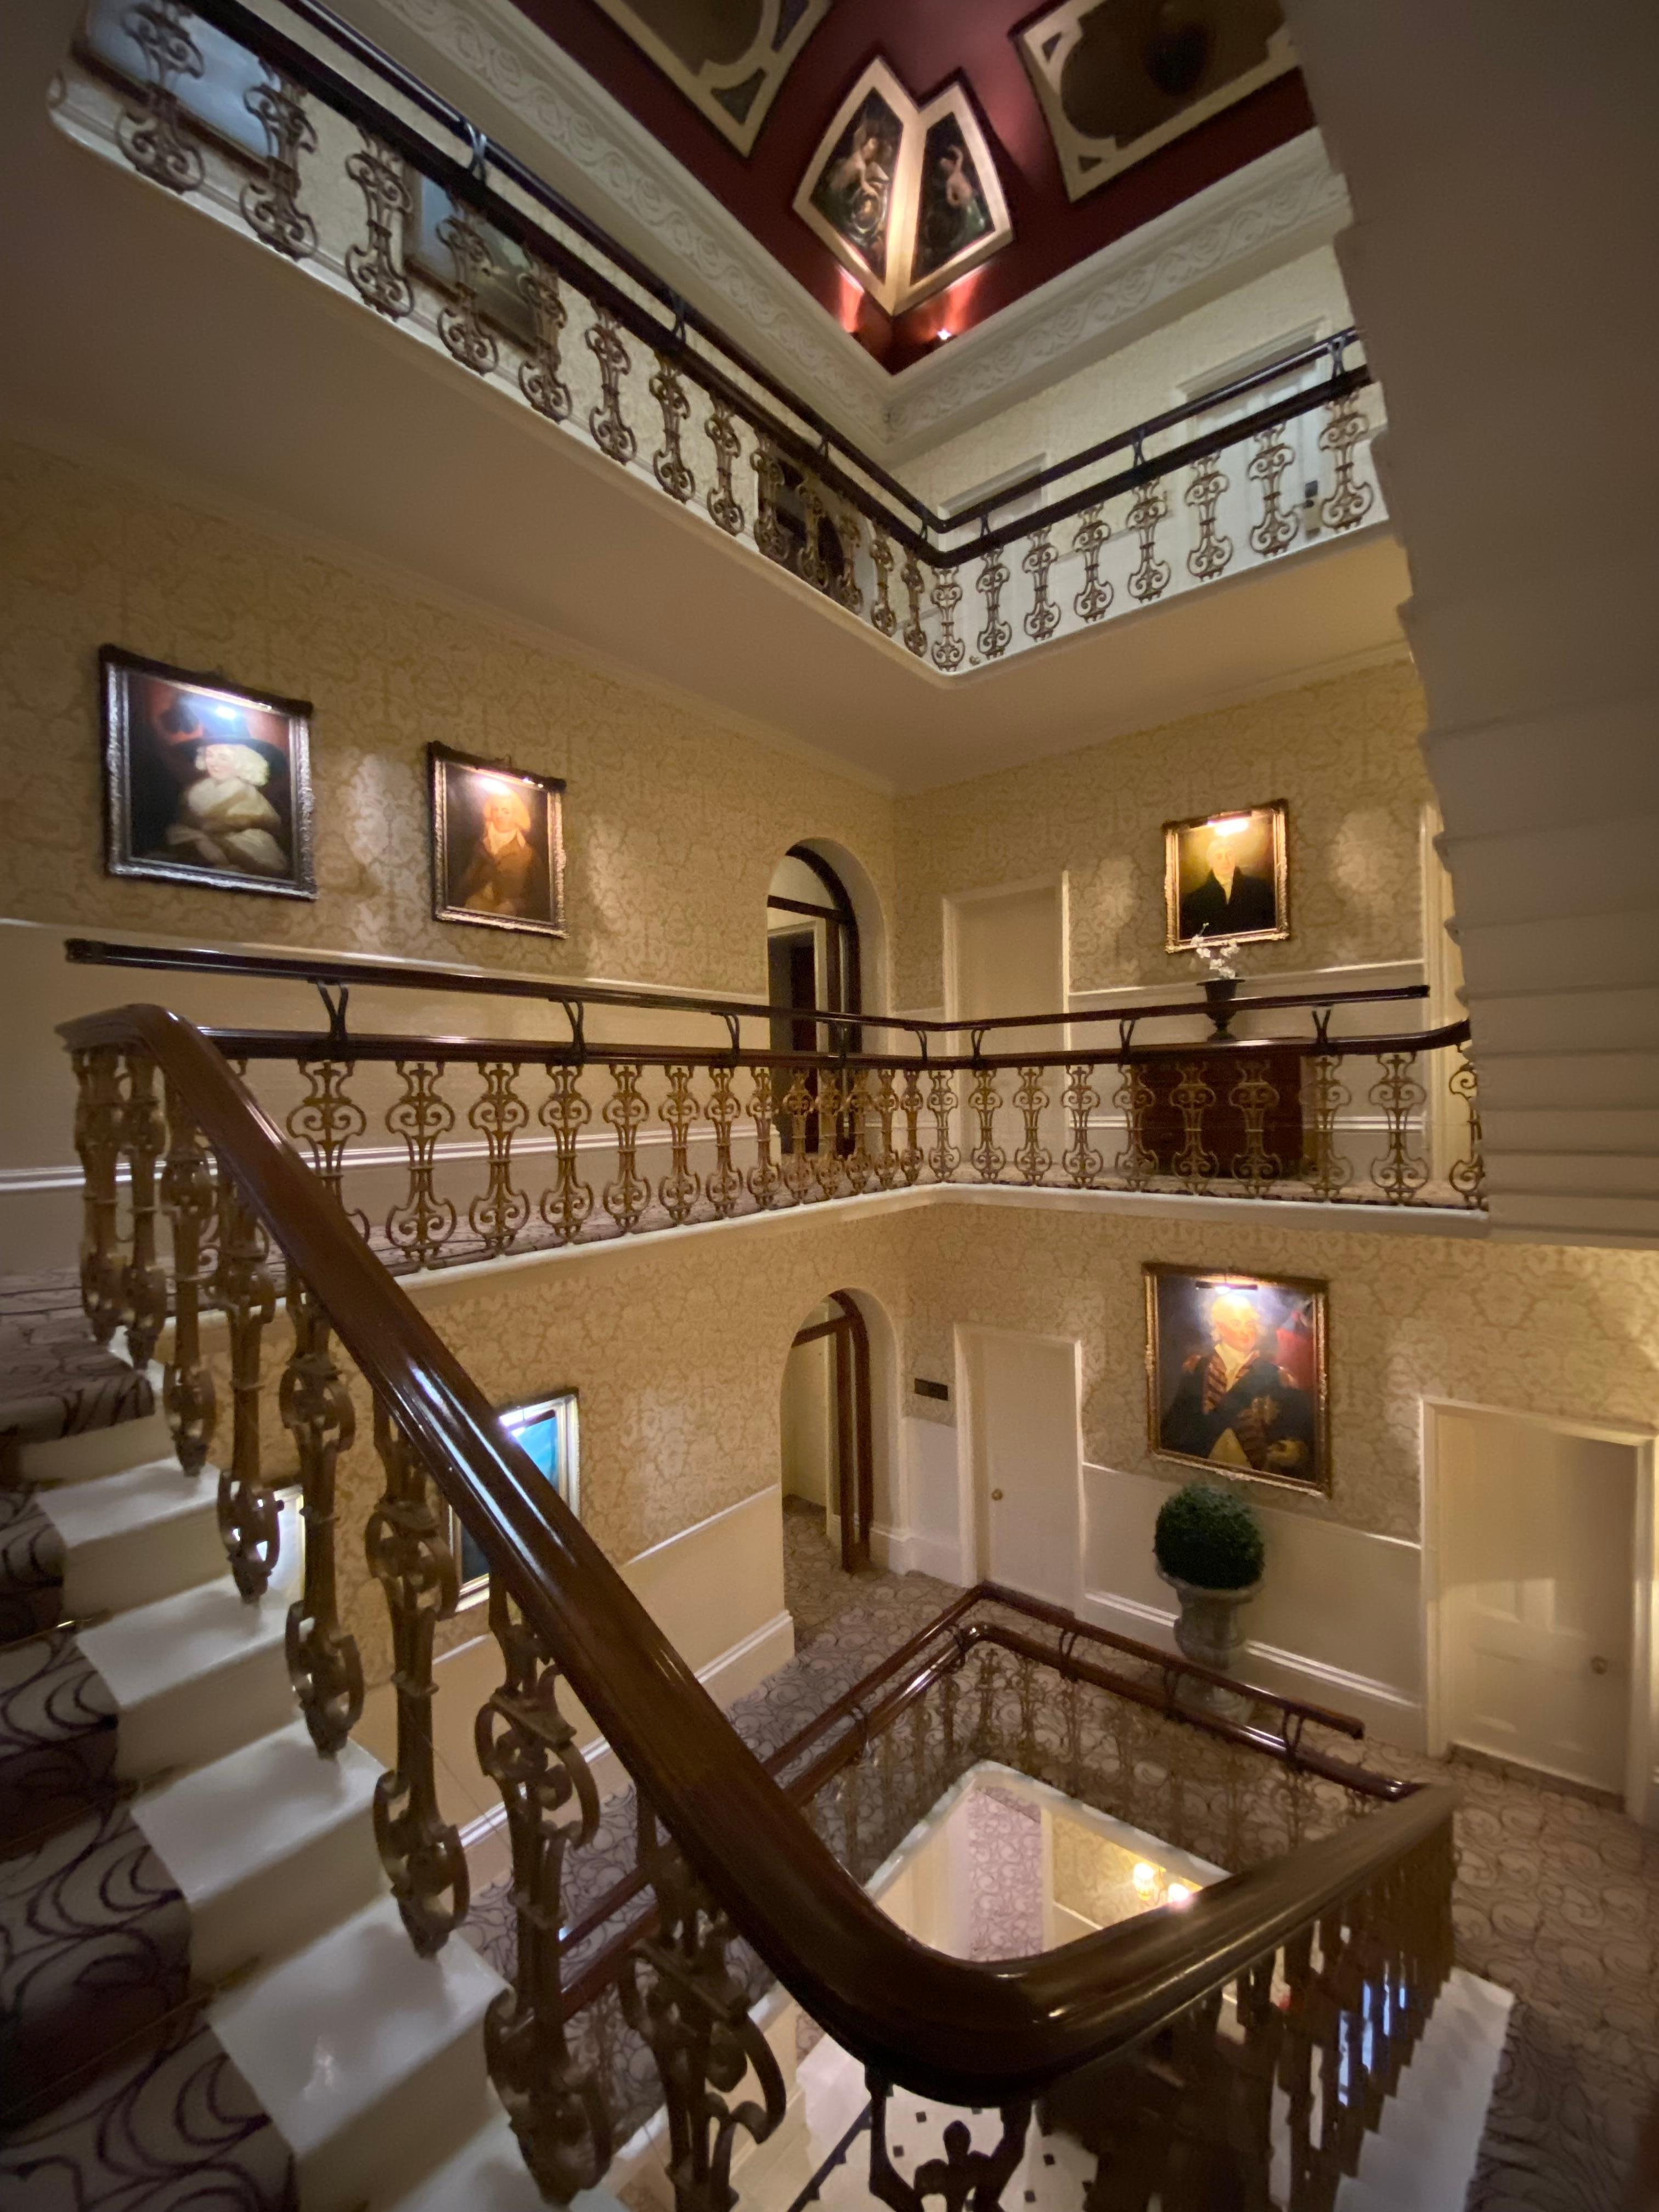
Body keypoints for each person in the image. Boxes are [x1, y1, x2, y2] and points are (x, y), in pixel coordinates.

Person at [1160, 1288, 1315, 1479]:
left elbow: (1299, 1426)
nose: (1245, 1331)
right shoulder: (1197, 1368)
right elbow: (1176, 1424)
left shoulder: (1277, 1376)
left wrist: (1295, 1450)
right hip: (1200, 1474)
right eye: (1236, 1323)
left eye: (1249, 1324)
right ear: (1221, 1327)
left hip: (1258, 1479)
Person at [155, 701, 290, 878]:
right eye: (210, 755)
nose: (214, 763)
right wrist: (196, 841)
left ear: (242, 762)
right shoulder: (194, 793)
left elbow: (263, 854)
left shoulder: (251, 801)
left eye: (223, 758)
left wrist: (213, 846)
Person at [1178, 825, 1278, 941]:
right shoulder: (1194, 901)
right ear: (1210, 862)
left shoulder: (1259, 889)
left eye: (1229, 855)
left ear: (1235, 858)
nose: (1225, 861)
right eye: (1219, 857)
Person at [454, 780, 538, 917]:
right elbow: (462, 886)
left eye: (506, 811)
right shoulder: (480, 846)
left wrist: (515, 905)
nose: (499, 815)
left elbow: (541, 897)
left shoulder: (528, 853)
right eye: (496, 810)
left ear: (516, 815)